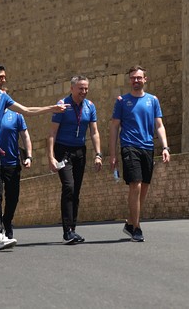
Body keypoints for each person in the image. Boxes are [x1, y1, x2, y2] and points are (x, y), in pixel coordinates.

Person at [0, 62, 66, 251]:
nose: (4, 79)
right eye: (1, 77)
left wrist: (51, 109)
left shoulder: (2, 96)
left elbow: (25, 110)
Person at [109, 65, 170, 242]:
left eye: (139, 77)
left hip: (147, 147)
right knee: (135, 184)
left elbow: (159, 125)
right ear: (130, 80)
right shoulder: (122, 101)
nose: (136, 80)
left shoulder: (153, 100)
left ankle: (130, 222)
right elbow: (114, 127)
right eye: (133, 78)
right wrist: (113, 154)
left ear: (145, 79)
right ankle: (137, 227)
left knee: (144, 188)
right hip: (129, 146)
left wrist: (165, 147)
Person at [48, 75, 103, 244]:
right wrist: (50, 156)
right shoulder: (62, 105)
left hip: (80, 151)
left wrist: (98, 154)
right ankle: (66, 231)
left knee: (76, 190)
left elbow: (94, 132)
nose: (84, 92)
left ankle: (72, 229)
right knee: (69, 187)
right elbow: (52, 133)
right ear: (72, 88)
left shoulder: (90, 106)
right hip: (63, 151)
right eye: (80, 88)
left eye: (86, 89)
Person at [0, 87, 33, 241]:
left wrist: (29, 156)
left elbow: (25, 136)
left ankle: (7, 220)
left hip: (12, 162)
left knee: (13, 197)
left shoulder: (16, 115)